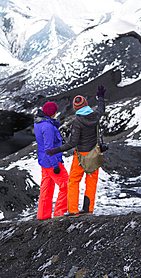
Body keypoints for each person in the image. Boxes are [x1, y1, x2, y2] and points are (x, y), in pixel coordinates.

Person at [46, 85, 106, 217]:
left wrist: (55, 150)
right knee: (91, 181)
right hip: (94, 153)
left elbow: (72, 143)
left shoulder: (77, 121)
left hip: (80, 156)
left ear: (76, 108)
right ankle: (88, 209)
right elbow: (101, 108)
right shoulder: (95, 115)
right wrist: (100, 97)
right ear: (86, 104)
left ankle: (73, 210)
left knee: (73, 181)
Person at [34, 101, 69, 219]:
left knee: (47, 188)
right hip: (51, 161)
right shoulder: (48, 126)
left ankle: (43, 215)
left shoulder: (39, 123)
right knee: (66, 185)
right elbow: (49, 148)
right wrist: (56, 165)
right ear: (52, 113)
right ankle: (60, 212)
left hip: (44, 161)